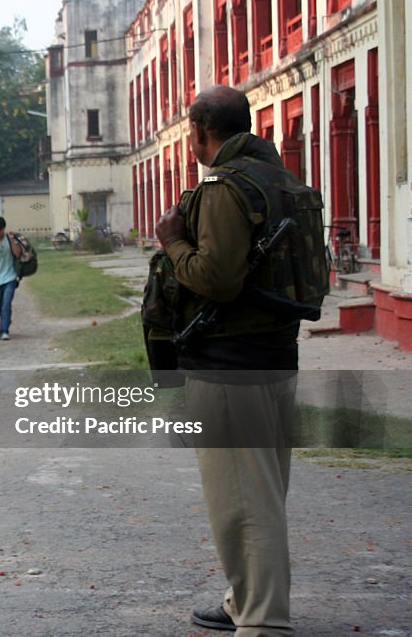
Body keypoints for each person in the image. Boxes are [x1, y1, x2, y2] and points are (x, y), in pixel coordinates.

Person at [154, 85, 302, 636]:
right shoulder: (281, 179)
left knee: (242, 502)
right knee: (263, 489)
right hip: (276, 355)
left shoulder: (223, 186)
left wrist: (171, 242)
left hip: (228, 364)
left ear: (199, 130)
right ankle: (245, 603)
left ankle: (262, 621)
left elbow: (217, 279)